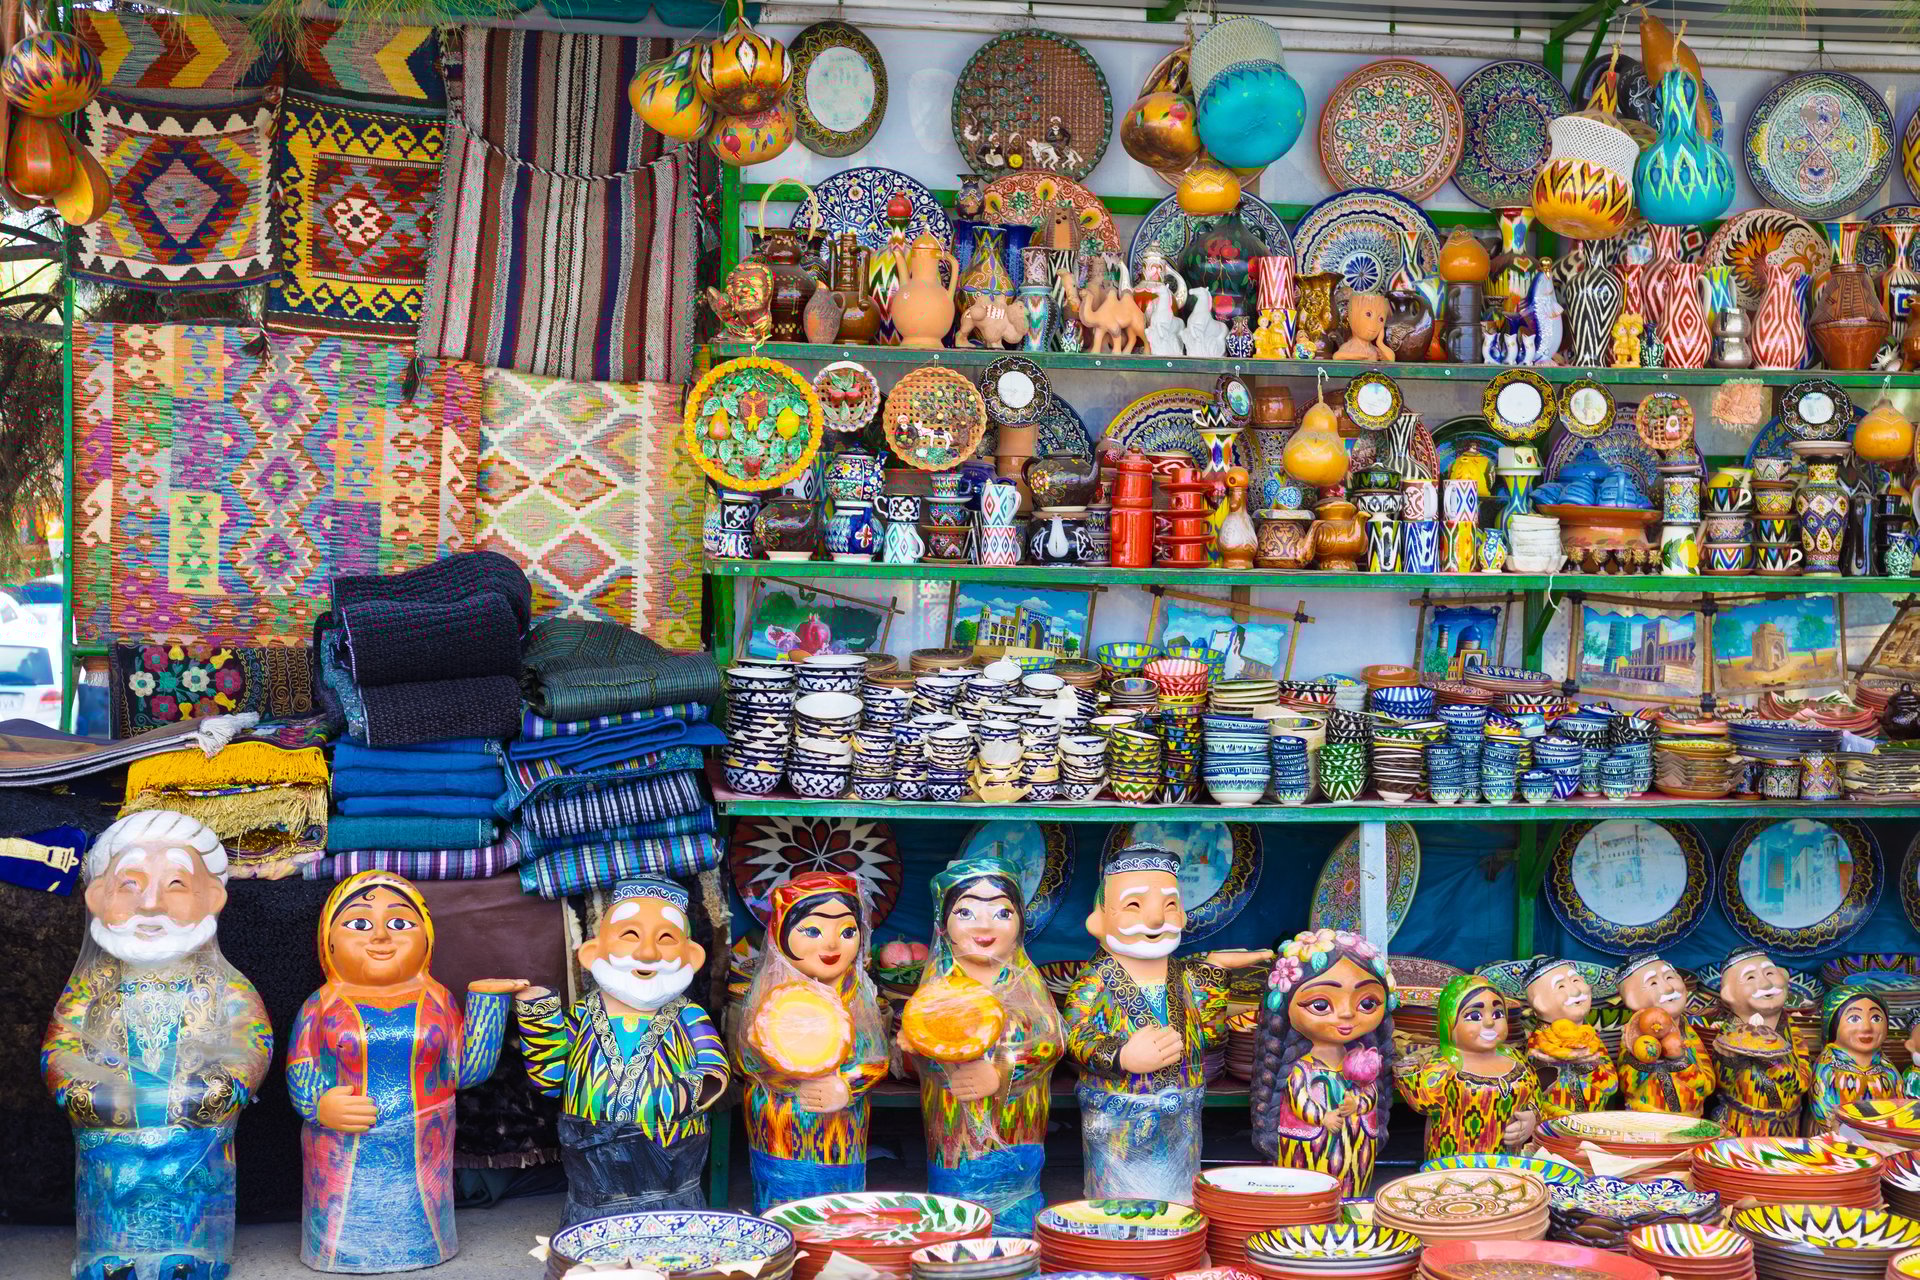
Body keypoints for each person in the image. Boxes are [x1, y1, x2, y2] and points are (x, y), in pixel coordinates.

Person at [42, 810, 273, 1280]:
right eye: (129, 884)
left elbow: (253, 1039)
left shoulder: (223, 984)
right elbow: (60, 1045)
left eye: (174, 885)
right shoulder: (93, 986)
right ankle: (109, 1255)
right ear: (96, 897)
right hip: (111, 1135)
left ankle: (195, 1254)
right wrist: (85, 1089)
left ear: (213, 898)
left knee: (192, 1189)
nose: (150, 904)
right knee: (111, 1191)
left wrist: (220, 1085)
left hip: (193, 1131)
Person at [290, 870, 521, 1271]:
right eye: (359, 924)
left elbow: (465, 1071)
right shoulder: (320, 1005)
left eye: (399, 923)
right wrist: (320, 1105)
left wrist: (488, 1005)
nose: (380, 936)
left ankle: (423, 1246)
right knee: (344, 1217)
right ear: (328, 940)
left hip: (424, 1144)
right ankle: (338, 1254)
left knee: (420, 1212)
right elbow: (300, 1067)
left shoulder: (438, 1000)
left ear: (427, 939)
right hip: (343, 1149)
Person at [1063, 843, 1272, 1199]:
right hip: (1118, 1117)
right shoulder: (1094, 981)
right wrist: (1121, 1056)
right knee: (1119, 1199)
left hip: (1181, 1113)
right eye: (1134, 905)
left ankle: (1177, 1242)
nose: (1157, 919)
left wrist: (1214, 972)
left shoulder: (1185, 976)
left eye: (1170, 905)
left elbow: (1208, 1034)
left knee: (1179, 1194)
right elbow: (1073, 1035)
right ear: (1098, 920)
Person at [516, 876, 729, 1223]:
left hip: (671, 1159)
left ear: (692, 957)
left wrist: (680, 1094)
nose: (647, 953)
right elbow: (549, 1078)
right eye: (630, 936)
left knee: (670, 1245)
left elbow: (713, 1070)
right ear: (592, 952)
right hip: (590, 1172)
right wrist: (538, 1014)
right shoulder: (584, 1015)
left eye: (666, 939)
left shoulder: (690, 1016)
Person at [899, 857, 1063, 1232]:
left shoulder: (1025, 981)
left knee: (1015, 1208)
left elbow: (1051, 1043)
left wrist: (1002, 1070)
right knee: (956, 1209)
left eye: (1002, 912)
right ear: (944, 925)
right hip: (953, 1122)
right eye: (967, 912)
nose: (985, 926)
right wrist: (916, 1047)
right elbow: (923, 1056)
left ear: (1020, 922)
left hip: (1017, 1119)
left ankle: (1016, 1247)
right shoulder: (938, 988)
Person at [732, 871, 887, 1210]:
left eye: (847, 932)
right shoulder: (768, 996)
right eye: (813, 931)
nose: (831, 945)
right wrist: (784, 1076)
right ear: (781, 933)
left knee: (838, 1209)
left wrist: (847, 1085)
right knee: (782, 1203)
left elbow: (876, 1059)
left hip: (842, 1127)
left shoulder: (856, 998)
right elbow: (747, 1062)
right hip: (782, 1122)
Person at [1250, 928, 1396, 1197]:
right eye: (1320, 1005)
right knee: (1309, 1193)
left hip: (1357, 1145)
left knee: (1352, 1192)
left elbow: (1370, 1092)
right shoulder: (1300, 1069)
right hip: (1308, 1143)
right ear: (1284, 1006)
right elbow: (1299, 1097)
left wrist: (1360, 1103)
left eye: (1366, 1003)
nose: (1347, 1014)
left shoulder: (1362, 1061)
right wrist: (1321, 1117)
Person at [1397, 974, 1541, 1159]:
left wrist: (1531, 1119)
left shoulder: (1517, 1059)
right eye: (1474, 1016)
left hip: (1508, 1164)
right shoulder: (1443, 1067)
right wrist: (1406, 1070)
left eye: (1498, 1013)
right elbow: (1420, 1102)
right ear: (1448, 1024)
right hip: (1454, 1164)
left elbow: (1535, 1096)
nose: (1490, 1022)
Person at [1706, 946, 1813, 1138]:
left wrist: (1769, 1058)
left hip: (1788, 1127)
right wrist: (1729, 1058)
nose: (1765, 983)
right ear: (1729, 993)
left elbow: (1801, 1084)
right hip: (1743, 1126)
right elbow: (1723, 1082)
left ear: (1784, 977)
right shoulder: (1729, 1036)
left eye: (1770, 972)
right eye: (1750, 978)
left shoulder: (1794, 1034)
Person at [1615, 952, 1715, 1115]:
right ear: (1632, 998)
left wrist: (1681, 1061)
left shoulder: (1688, 1035)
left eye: (1670, 978)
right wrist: (1642, 1059)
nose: (1669, 988)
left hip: (1691, 1121)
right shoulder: (1633, 1037)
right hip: (1646, 1123)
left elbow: (1708, 1084)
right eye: (1653, 983)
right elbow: (1627, 1086)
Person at [1521, 957, 1618, 1118]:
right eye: (1561, 986)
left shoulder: (1591, 1039)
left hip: (1594, 1122)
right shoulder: (1539, 1045)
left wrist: (1588, 1064)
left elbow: (1611, 1085)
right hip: (1554, 1125)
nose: (1576, 991)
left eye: (1576, 980)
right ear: (1540, 1003)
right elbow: (1536, 1090)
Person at [1810, 985, 1903, 1132]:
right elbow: (1821, 1107)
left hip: (1883, 1141)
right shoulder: (1827, 1066)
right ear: (1833, 1025)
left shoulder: (1888, 1069)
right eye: (1854, 1018)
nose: (1866, 1027)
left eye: (1876, 1018)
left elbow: (1901, 1106)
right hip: (1837, 1144)